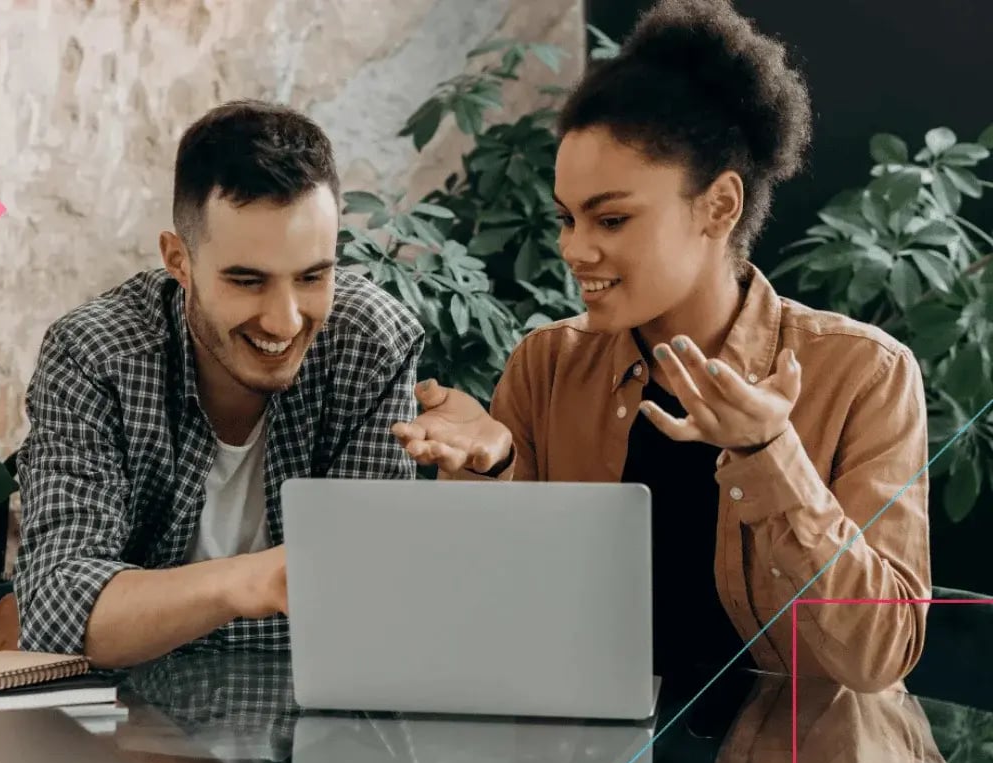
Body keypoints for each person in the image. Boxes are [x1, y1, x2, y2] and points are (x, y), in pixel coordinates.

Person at [392, 0, 931, 693]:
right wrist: (493, 468)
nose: (574, 249)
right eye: (567, 218)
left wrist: (772, 457)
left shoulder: (863, 374)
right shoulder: (547, 366)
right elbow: (493, 623)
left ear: (719, 206)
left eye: (611, 218)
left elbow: (878, 658)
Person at [10, 100, 425, 668]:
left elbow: (367, 612)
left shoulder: (372, 344)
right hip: (128, 736)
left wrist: (142, 612)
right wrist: (253, 581)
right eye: (247, 281)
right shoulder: (94, 355)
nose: (285, 320)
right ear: (179, 261)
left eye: (313, 276)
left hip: (321, 729)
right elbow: (58, 614)